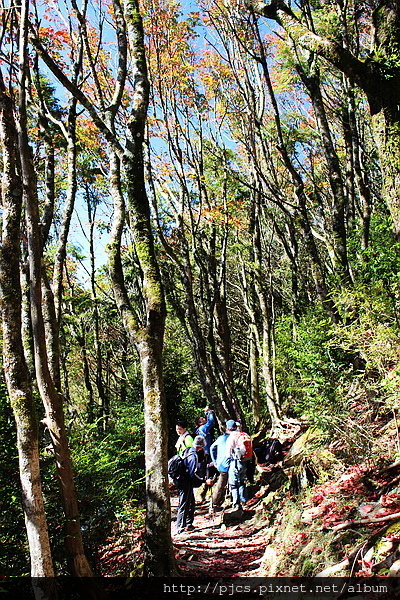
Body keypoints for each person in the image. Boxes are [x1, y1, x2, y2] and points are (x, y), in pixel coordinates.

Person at [175, 435, 208, 535]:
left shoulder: (188, 450)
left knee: (190, 502)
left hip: (183, 480)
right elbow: (192, 473)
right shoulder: (193, 456)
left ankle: (188, 524)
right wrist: (203, 480)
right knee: (184, 503)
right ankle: (180, 527)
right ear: (201, 446)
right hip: (185, 481)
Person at [208, 420, 237, 512]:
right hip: (228, 465)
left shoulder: (221, 438)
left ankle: (215, 503)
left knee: (222, 483)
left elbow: (212, 448)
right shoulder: (235, 438)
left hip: (221, 464)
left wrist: (215, 461)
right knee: (225, 483)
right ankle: (214, 504)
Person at [225, 420, 248, 511]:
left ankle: (236, 504)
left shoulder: (231, 438)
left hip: (235, 462)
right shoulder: (244, 434)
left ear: (228, 428)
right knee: (242, 481)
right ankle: (244, 501)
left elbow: (227, 454)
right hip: (245, 461)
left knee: (233, 484)